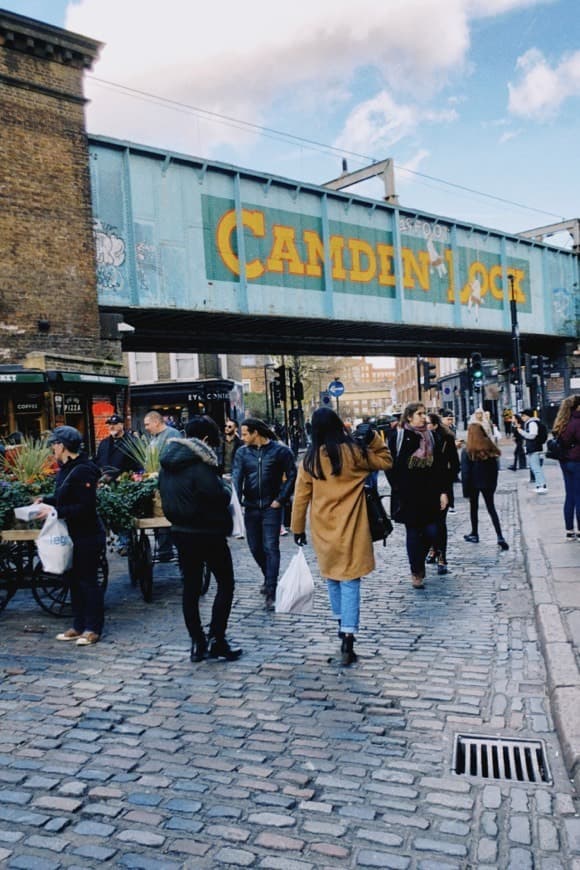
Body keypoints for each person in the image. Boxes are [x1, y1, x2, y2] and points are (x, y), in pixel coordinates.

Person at [290, 407, 392, 666]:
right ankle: (348, 635)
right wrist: (373, 438)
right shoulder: (354, 453)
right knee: (350, 580)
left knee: (332, 577)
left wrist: (297, 528)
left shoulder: (310, 460)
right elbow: (385, 460)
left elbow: (300, 498)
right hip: (353, 526)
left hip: (323, 528)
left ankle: (340, 623)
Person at [159, 415, 242, 663]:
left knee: (191, 588)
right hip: (208, 533)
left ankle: (197, 642)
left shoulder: (167, 464)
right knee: (225, 583)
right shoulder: (200, 465)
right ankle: (217, 638)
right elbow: (218, 495)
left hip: (181, 533)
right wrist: (226, 488)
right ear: (205, 439)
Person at [34, 426, 106, 646]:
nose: (51, 449)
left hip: (88, 535)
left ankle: (93, 628)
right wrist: (45, 500)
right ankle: (78, 625)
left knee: (88, 582)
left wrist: (54, 511)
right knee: (73, 580)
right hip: (72, 534)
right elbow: (63, 496)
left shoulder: (84, 470)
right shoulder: (66, 468)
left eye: (54, 444)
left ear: (62, 446)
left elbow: (84, 507)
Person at [232, 417, 296, 611]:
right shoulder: (242, 453)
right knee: (255, 547)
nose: (242, 437)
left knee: (271, 547)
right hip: (250, 506)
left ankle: (271, 588)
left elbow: (293, 476)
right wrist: (236, 504)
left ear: (255, 433)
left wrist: (281, 499)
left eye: (244, 434)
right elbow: (236, 478)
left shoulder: (280, 451)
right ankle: (269, 576)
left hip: (271, 506)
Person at [387, 402, 449, 589]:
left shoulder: (432, 436)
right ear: (409, 417)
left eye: (425, 413)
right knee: (413, 534)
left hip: (430, 494)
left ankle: (421, 562)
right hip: (408, 496)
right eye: (419, 414)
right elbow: (390, 466)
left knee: (433, 532)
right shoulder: (398, 437)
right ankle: (416, 571)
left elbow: (440, 467)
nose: (424, 417)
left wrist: (443, 492)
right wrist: (398, 489)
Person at [95, 414, 140, 555]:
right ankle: (117, 539)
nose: (111, 427)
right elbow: (98, 462)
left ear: (122, 425)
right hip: (105, 486)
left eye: (114, 424)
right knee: (107, 514)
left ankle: (124, 542)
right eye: (109, 425)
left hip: (124, 485)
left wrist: (127, 478)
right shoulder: (103, 444)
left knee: (121, 513)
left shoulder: (132, 442)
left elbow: (138, 464)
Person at [461, 422, 509, 550]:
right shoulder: (489, 447)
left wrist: (465, 490)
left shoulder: (468, 450)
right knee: (491, 508)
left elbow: (465, 473)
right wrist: (493, 483)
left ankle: (475, 533)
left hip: (473, 483)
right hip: (488, 482)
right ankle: (499, 536)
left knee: (473, 508)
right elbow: (495, 468)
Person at [426, 412, 460, 574]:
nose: (425, 426)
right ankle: (433, 549)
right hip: (426, 488)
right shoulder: (420, 439)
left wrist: (447, 483)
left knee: (440, 523)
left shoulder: (446, 439)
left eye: (428, 423)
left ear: (435, 425)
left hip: (443, 487)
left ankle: (442, 556)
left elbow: (455, 464)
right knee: (429, 523)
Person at [144, 410, 175, 559]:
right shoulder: (154, 438)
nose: (146, 427)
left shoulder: (171, 435)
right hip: (155, 483)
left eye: (147, 424)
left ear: (156, 422)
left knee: (163, 515)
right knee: (156, 514)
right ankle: (163, 547)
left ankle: (165, 549)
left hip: (167, 483)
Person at [551, 395, 580, 541]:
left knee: (570, 495)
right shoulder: (577, 421)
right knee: (579, 495)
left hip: (565, 461)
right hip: (576, 460)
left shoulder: (562, 422)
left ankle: (569, 530)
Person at [514, 409, 547, 493]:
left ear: (528, 416)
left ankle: (542, 485)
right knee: (535, 467)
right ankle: (539, 485)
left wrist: (520, 431)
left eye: (523, 416)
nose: (522, 417)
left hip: (534, 448)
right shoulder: (531, 423)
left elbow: (532, 436)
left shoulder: (532, 423)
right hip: (535, 447)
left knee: (536, 468)